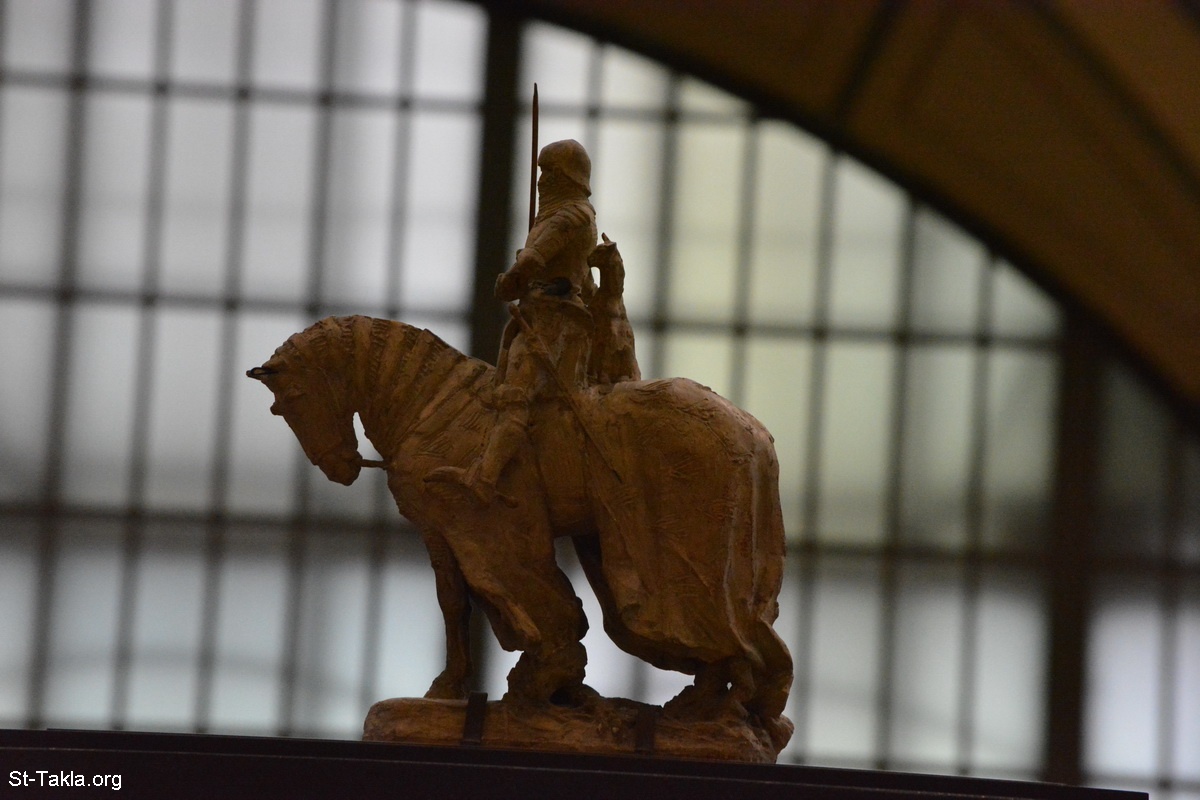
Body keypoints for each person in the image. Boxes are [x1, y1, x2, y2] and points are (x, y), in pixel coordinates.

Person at [426, 139, 599, 505]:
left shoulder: (567, 218)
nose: (541, 181)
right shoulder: (574, 216)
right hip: (548, 315)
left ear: (567, 177)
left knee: (515, 398)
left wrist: (511, 280)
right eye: (541, 172)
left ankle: (485, 478)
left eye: (549, 173)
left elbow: (533, 260)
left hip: (551, 321)